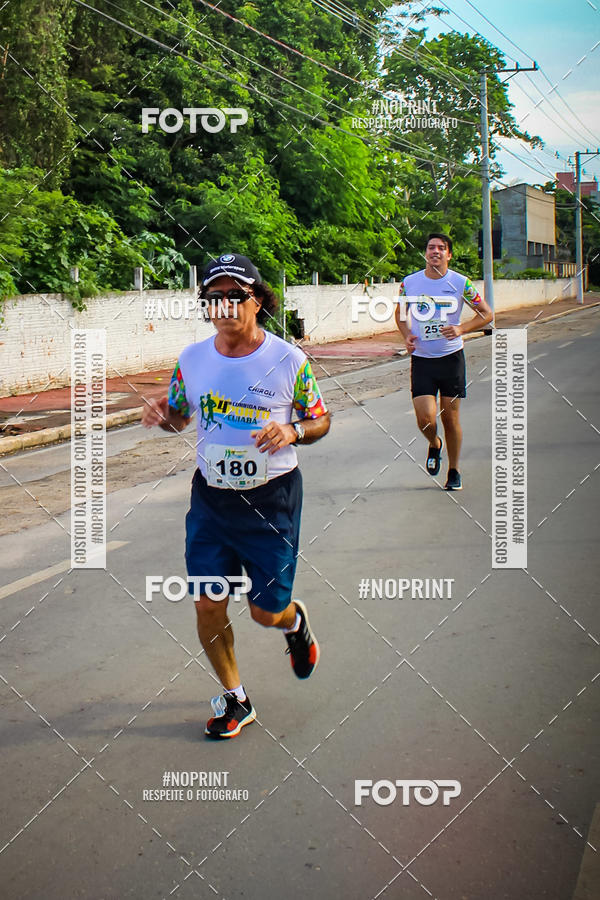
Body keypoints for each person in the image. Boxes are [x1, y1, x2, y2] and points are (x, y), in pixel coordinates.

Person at [142, 253, 330, 739]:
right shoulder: (192, 359)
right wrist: (165, 416)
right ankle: (236, 698)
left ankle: (293, 622)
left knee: (265, 612)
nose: (224, 305)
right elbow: (179, 416)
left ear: (257, 301)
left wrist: (292, 431)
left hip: (271, 500)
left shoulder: (288, 360)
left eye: (235, 295)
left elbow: (320, 419)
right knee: (208, 604)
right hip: (212, 500)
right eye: (214, 297)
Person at [395, 233, 493, 490]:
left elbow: (486, 314)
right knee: (425, 418)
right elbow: (400, 313)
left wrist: (461, 329)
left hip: (451, 359)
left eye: (441, 248)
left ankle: (454, 470)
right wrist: (406, 336)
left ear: (449, 254)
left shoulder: (461, 283)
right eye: (431, 247)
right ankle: (434, 443)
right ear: (425, 253)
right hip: (422, 360)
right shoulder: (410, 283)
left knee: (450, 418)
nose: (435, 251)